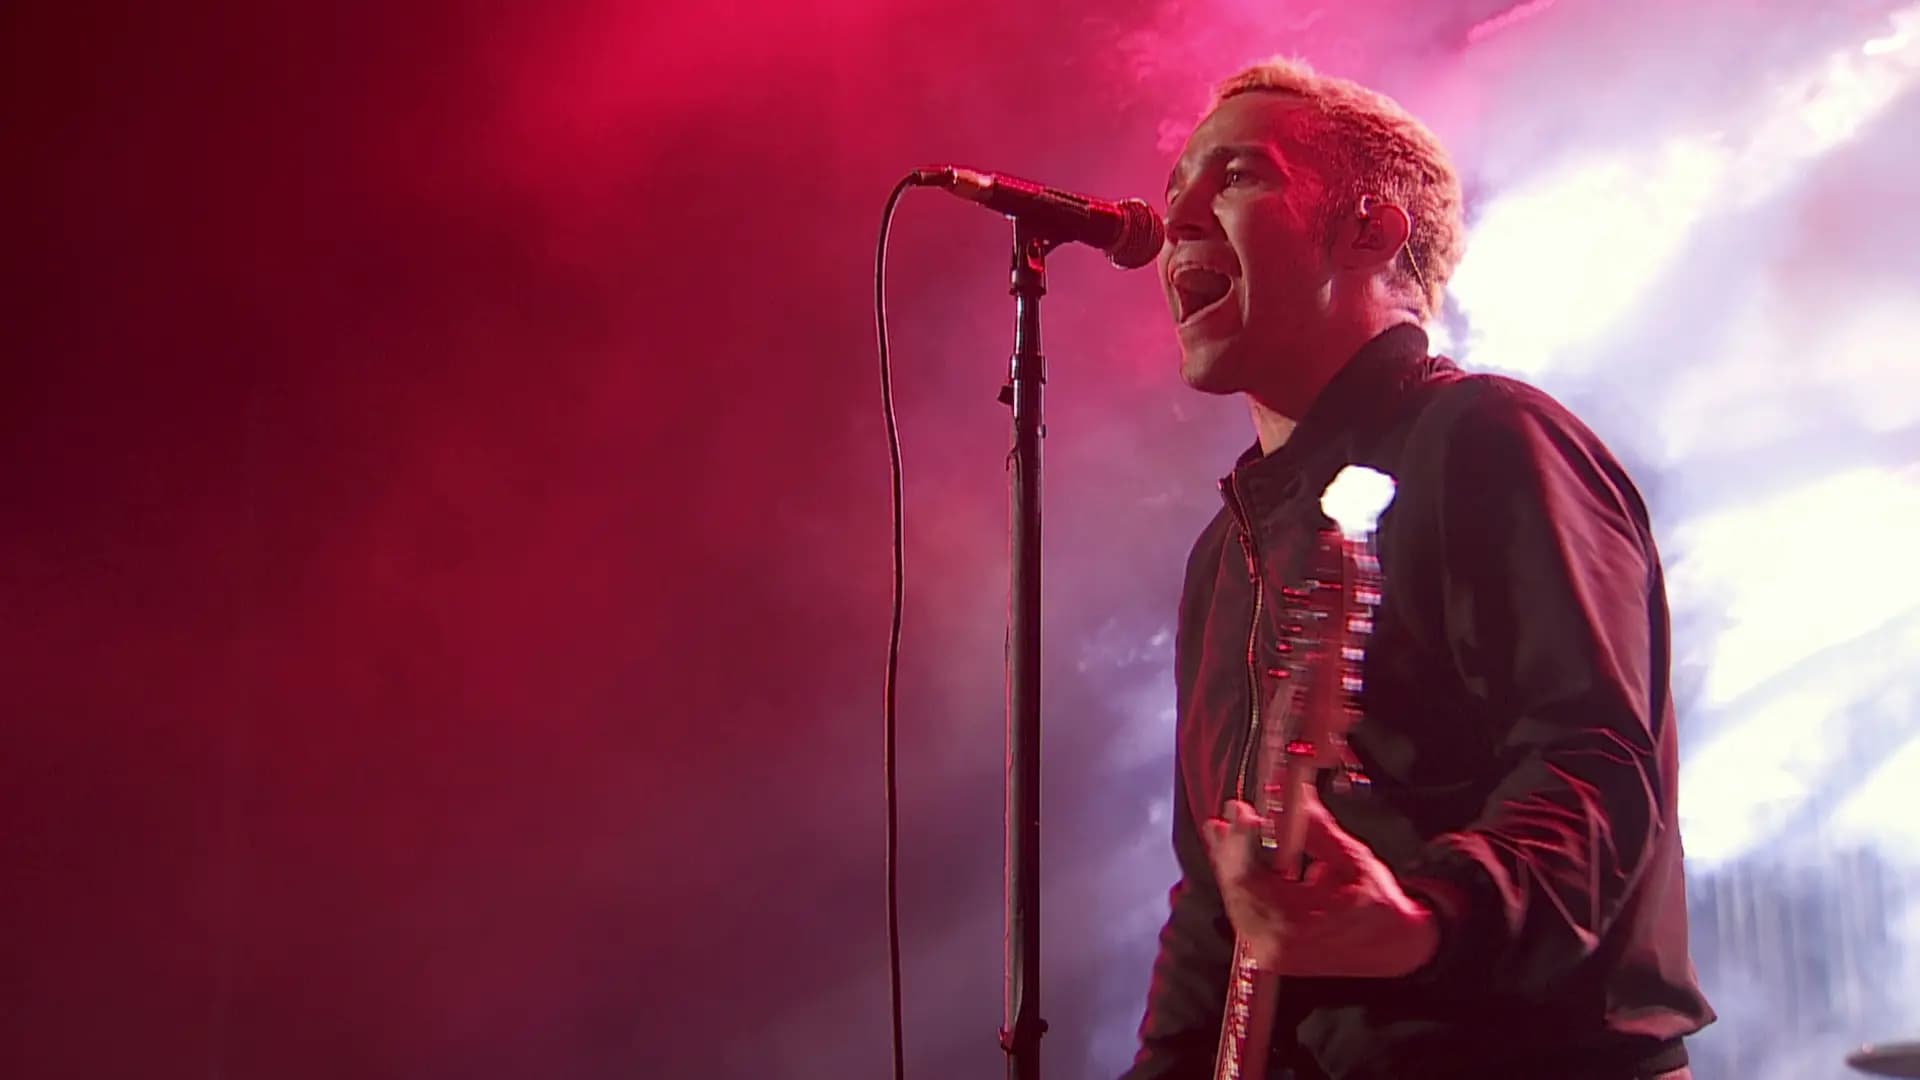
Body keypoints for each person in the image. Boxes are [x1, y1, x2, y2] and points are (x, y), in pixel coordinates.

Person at [1123, 57, 1715, 1080]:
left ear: (1372, 228)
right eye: (1175, 191)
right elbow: (1215, 907)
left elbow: (1594, 771)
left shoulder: (1487, 437)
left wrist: (1423, 918)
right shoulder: (1225, 559)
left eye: (1234, 177)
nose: (1174, 220)